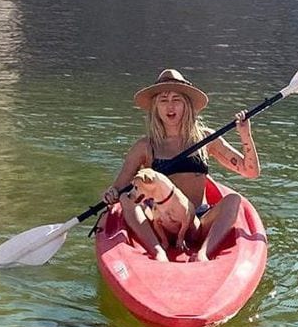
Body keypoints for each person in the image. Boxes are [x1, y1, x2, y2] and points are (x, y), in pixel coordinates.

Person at [102, 68, 261, 261]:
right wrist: (111, 193)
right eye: (163, 100)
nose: (170, 107)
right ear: (155, 108)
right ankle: (157, 251)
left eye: (176, 99)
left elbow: (250, 171)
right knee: (127, 200)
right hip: (159, 221)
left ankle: (204, 253)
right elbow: (119, 188)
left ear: (186, 104)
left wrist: (245, 135)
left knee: (234, 200)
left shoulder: (206, 138)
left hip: (197, 221)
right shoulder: (145, 146)